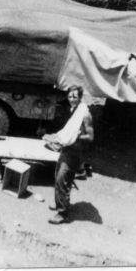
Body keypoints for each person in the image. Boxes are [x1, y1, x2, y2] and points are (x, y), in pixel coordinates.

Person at [43, 85, 94, 225]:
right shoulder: (74, 111)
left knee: (62, 179)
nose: (72, 99)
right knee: (58, 175)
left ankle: (62, 213)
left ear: (80, 97)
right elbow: (69, 131)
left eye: (75, 97)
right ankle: (60, 202)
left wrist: (75, 138)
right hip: (67, 149)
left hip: (75, 152)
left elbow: (90, 137)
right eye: (70, 96)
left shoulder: (85, 114)